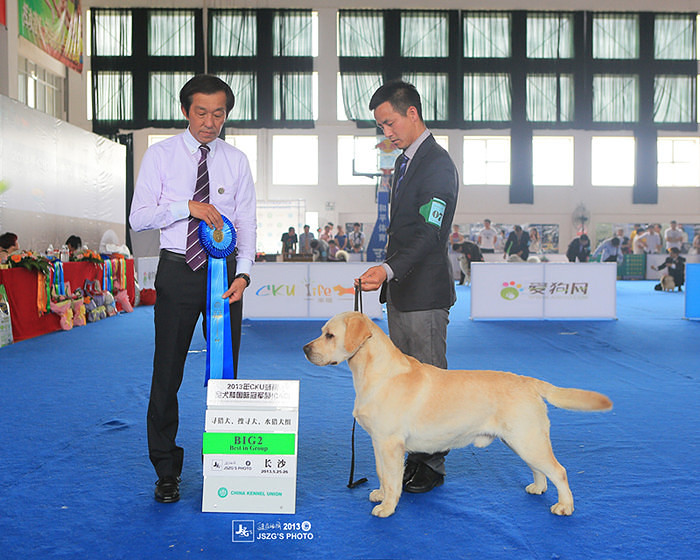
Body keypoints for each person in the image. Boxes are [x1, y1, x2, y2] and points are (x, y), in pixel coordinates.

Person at [129, 74, 256, 504]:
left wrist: (244, 274)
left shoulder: (237, 161)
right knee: (168, 373)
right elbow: (139, 217)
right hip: (177, 271)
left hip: (225, 277)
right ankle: (166, 470)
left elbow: (248, 222)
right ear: (186, 111)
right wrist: (186, 206)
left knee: (225, 373)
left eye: (218, 113)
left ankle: (225, 464)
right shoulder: (160, 156)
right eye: (201, 112)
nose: (209, 121)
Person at [357, 80, 459, 494]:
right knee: (406, 383)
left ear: (412, 113)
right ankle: (413, 456)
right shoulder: (403, 163)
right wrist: (390, 273)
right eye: (381, 126)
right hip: (401, 291)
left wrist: (387, 269)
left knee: (431, 384)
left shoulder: (437, 164)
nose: (387, 133)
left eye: (389, 123)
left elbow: (430, 233)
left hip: (425, 295)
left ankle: (432, 464)